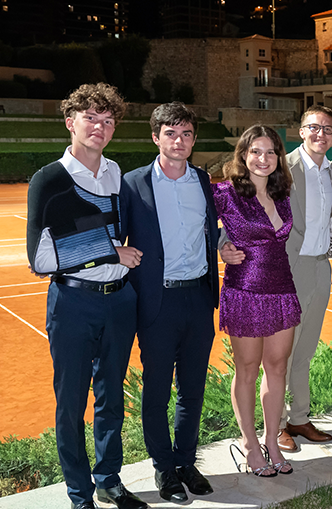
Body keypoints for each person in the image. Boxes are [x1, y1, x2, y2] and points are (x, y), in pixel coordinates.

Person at [26, 83, 147, 509]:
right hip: (73, 303)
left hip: (119, 301)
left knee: (112, 399)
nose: (100, 126)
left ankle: (109, 480)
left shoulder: (116, 174)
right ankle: (80, 496)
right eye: (90, 118)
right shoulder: (49, 180)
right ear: (70, 122)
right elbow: (40, 259)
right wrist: (109, 251)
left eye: (108, 120)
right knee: (72, 403)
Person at [221, 106, 332, 452]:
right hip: (285, 269)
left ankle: (299, 416)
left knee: (305, 350)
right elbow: (234, 209)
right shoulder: (284, 168)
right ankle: (277, 425)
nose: (320, 134)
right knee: (280, 355)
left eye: (327, 129)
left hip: (320, 266)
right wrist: (223, 244)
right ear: (301, 131)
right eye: (314, 127)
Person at [121, 102, 218, 502]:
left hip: (199, 296)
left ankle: (185, 462)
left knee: (192, 388)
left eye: (187, 134)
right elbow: (114, 232)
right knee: (158, 390)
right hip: (157, 301)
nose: (179, 141)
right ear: (155, 137)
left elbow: (213, 231)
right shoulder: (133, 183)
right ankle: (163, 467)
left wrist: (225, 245)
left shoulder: (204, 181)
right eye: (171, 134)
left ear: (194, 139)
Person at [211, 125, 301, 477]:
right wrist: (221, 246)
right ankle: (249, 444)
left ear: (278, 157)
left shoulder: (282, 192)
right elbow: (201, 226)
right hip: (245, 292)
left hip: (282, 290)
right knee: (247, 370)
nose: (263, 159)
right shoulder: (225, 193)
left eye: (270, 152)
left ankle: (272, 442)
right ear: (243, 155)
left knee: (277, 368)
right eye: (256, 152)